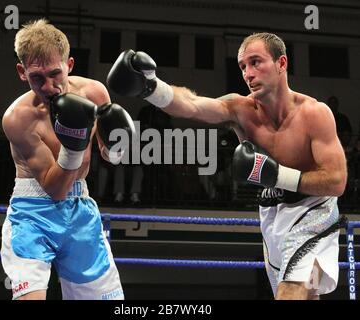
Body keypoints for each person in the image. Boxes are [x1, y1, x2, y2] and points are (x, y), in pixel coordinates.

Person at [106, 32, 347, 300]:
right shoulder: (241, 110)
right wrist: (151, 87)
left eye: (256, 62)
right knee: (305, 295)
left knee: (290, 292)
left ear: (281, 63)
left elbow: (336, 181)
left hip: (313, 210)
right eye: (243, 66)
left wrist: (278, 176)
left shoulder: (314, 113)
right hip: (272, 213)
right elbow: (192, 105)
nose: (248, 73)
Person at [1, 19, 135, 300]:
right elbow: (55, 188)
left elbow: (111, 158)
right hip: (32, 212)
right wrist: (74, 144)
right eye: (37, 77)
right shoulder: (18, 118)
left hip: (80, 208)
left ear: (69, 65)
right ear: (21, 72)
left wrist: (117, 140)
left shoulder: (95, 93)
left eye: (55, 74)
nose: (49, 86)